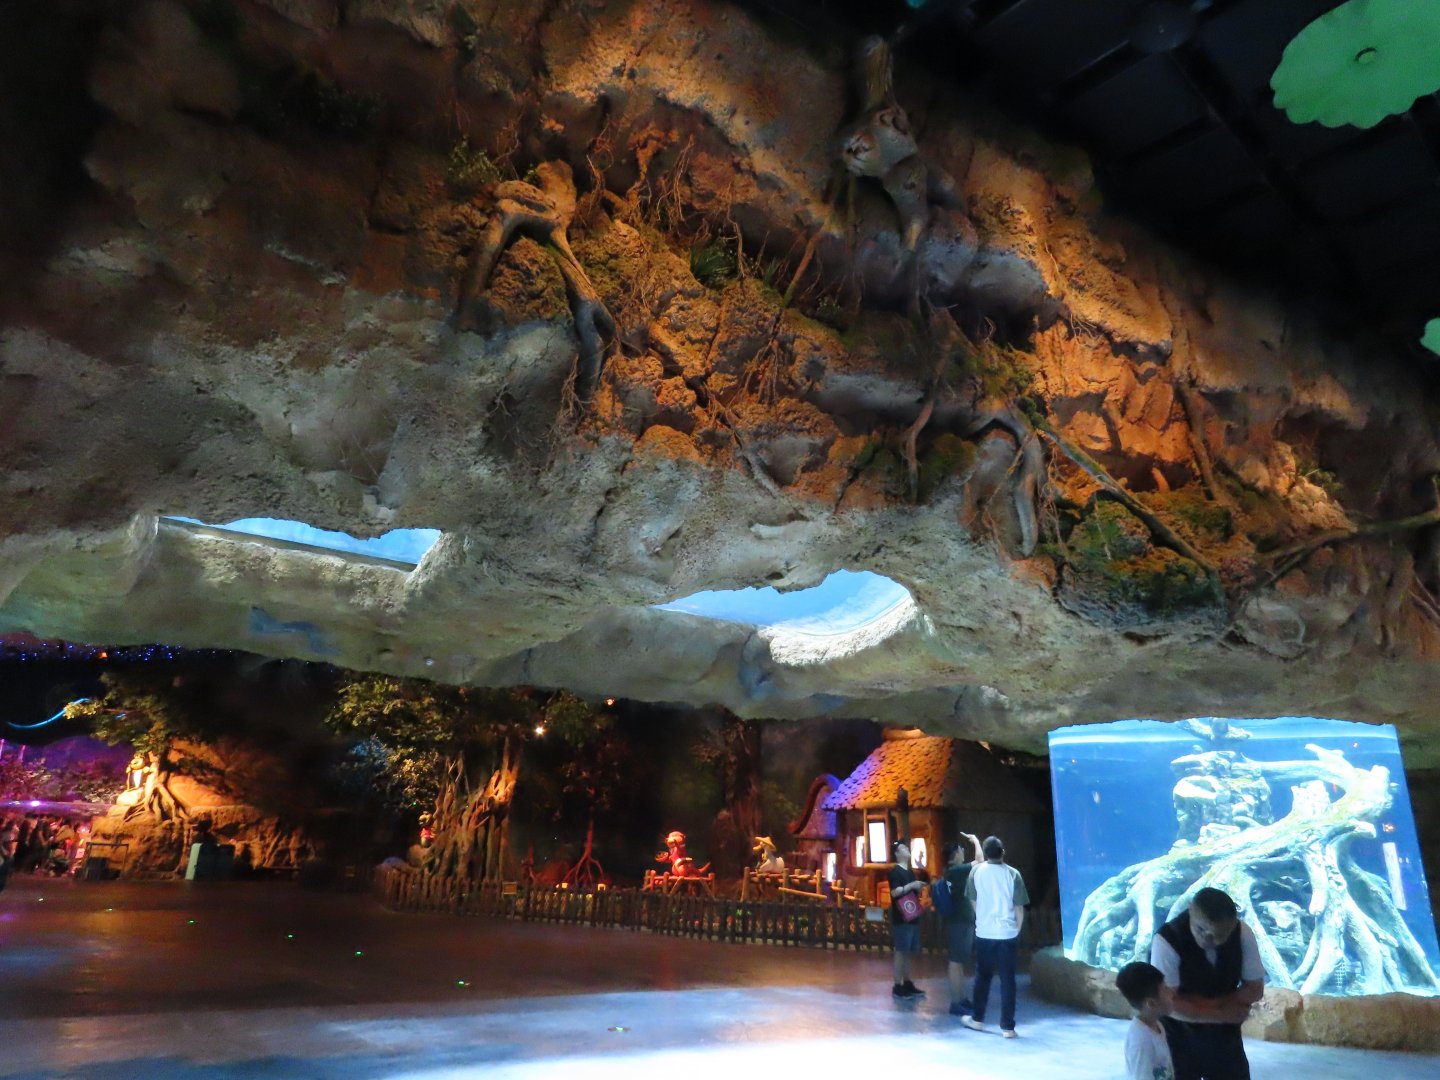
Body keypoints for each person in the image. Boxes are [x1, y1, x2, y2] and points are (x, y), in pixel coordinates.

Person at [1150, 887, 1264, 1080]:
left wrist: (1199, 1005)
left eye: (1218, 935)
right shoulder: (1166, 940)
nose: (1207, 939)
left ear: (1232, 925)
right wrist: (1222, 1013)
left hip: (1224, 1040)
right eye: (1200, 929)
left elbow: (1255, 989)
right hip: (1176, 1038)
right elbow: (1166, 1004)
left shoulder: (1243, 933)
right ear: (1190, 910)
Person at [962, 835, 1028, 1038]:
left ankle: (977, 1019)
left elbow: (973, 900)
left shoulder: (976, 872)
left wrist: (982, 918)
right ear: (1003, 852)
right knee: (1008, 980)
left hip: (984, 932)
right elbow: (1019, 906)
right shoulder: (1013, 874)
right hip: (1007, 934)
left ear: (986, 852)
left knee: (982, 976)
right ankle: (1008, 1027)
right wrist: (1017, 929)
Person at [941, 832, 983, 1016]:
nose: (963, 852)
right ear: (955, 854)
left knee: (958, 962)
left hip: (960, 921)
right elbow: (980, 860)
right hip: (959, 922)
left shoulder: (952, 872)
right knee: (955, 962)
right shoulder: (956, 871)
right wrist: (975, 840)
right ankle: (955, 1001)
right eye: (961, 849)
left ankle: (960, 998)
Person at [1117, 961, 1176, 1080]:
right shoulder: (1141, 1043)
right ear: (1151, 1003)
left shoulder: (1157, 1026)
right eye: (1165, 988)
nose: (1172, 992)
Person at [888, 839, 926, 998]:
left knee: (908, 951)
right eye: (903, 848)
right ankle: (897, 985)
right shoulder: (895, 872)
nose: (907, 849)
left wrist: (918, 887)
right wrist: (912, 885)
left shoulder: (910, 872)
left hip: (912, 914)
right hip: (901, 916)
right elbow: (894, 892)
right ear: (897, 854)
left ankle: (907, 982)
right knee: (900, 951)